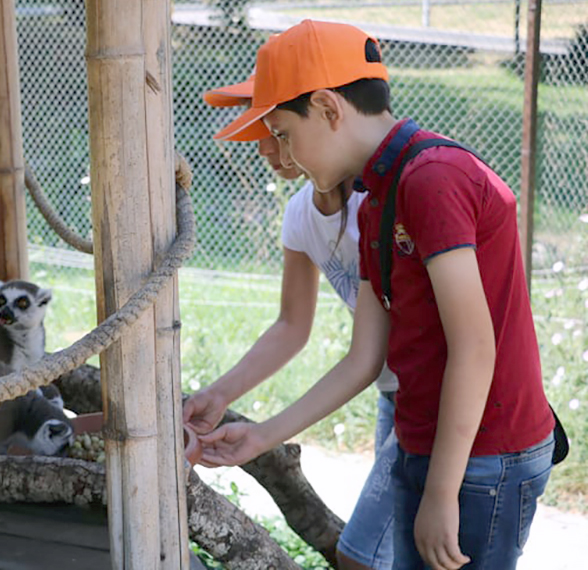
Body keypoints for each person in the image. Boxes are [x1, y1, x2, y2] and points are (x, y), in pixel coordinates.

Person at [197, 20, 556, 570]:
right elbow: (365, 358)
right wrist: (260, 437)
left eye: (285, 134)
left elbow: (475, 348)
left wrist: (441, 492)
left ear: (327, 107)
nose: (284, 155)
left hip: (485, 455)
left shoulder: (432, 178)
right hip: (425, 439)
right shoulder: (377, 196)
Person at [185, 67, 398, 570]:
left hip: (435, 399)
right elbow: (291, 327)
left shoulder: (382, 203)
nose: (263, 148)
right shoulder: (301, 213)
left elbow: (365, 356)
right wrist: (219, 394)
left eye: (273, 131)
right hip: (393, 395)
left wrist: (265, 434)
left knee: (368, 555)